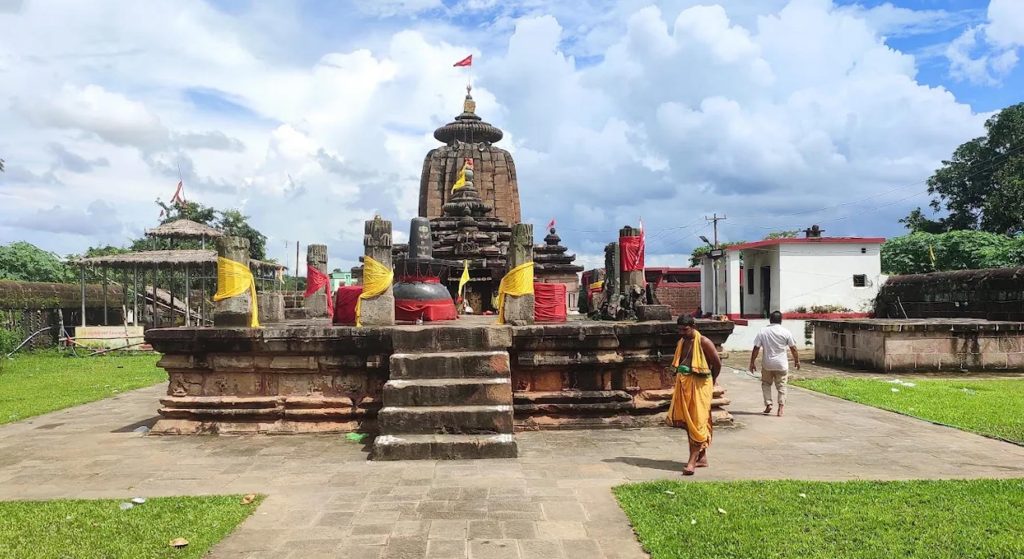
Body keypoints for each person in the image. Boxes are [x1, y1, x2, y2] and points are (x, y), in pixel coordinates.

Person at [666, 314, 722, 476]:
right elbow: (681, 361)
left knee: (698, 422)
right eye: (680, 330)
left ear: (693, 326)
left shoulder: (704, 342)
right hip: (684, 384)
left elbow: (717, 363)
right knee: (689, 421)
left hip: (701, 385)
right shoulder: (681, 342)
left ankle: (691, 462)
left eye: (686, 329)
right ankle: (701, 457)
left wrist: (711, 379)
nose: (682, 332)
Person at [749, 311, 800, 417]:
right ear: (781, 320)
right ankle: (781, 407)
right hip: (782, 364)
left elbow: (756, 348)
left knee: (766, 384)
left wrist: (752, 362)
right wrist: (797, 361)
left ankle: (769, 404)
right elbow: (793, 348)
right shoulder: (786, 332)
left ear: (770, 320)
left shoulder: (763, 332)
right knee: (781, 386)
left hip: (767, 364)